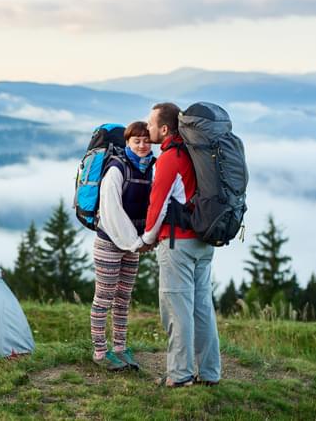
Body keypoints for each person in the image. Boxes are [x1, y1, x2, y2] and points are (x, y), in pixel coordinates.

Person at [141, 102, 221, 387]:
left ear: (164, 129)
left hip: (178, 244)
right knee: (201, 308)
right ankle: (210, 373)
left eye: (151, 124)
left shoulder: (170, 158)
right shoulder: (196, 152)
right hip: (204, 240)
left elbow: (158, 205)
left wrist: (145, 240)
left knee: (177, 310)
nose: (147, 128)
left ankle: (180, 374)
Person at [90, 121, 155, 371]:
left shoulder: (152, 168)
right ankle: (99, 351)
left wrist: (144, 240)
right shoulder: (116, 169)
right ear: (127, 142)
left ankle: (120, 347)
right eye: (136, 140)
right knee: (104, 297)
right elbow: (112, 212)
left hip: (134, 244)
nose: (142, 145)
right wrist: (136, 242)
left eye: (146, 140)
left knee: (123, 297)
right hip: (109, 242)